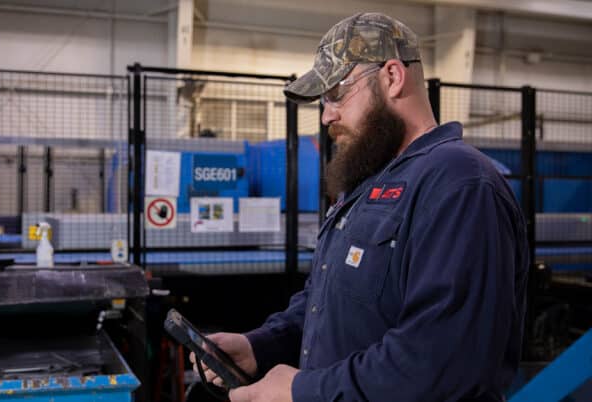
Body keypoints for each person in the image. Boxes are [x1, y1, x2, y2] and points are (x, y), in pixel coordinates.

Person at [190, 12, 529, 402]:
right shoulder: (369, 184)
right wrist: (260, 346)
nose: (326, 114)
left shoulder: (459, 183)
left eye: (336, 93)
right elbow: (330, 303)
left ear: (392, 77)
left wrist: (303, 390)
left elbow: (444, 362)